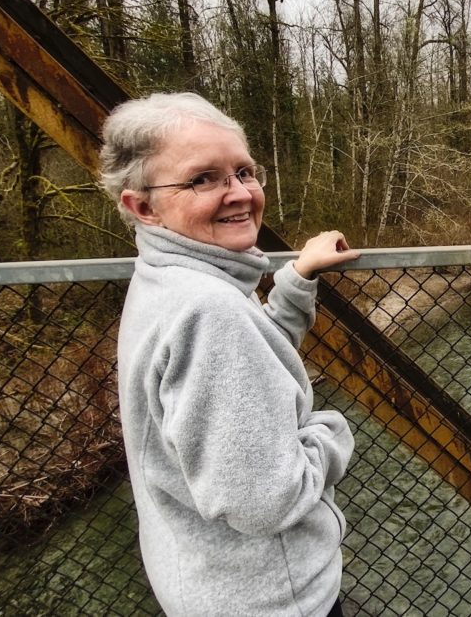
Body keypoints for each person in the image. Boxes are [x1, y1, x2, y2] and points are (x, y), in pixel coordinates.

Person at [99, 92, 359, 617]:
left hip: (206, 586)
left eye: (244, 171)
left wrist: (294, 278)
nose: (239, 193)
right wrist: (331, 432)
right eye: (204, 179)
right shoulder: (208, 309)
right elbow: (268, 501)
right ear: (142, 206)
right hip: (272, 603)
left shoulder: (165, 281)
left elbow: (244, 369)